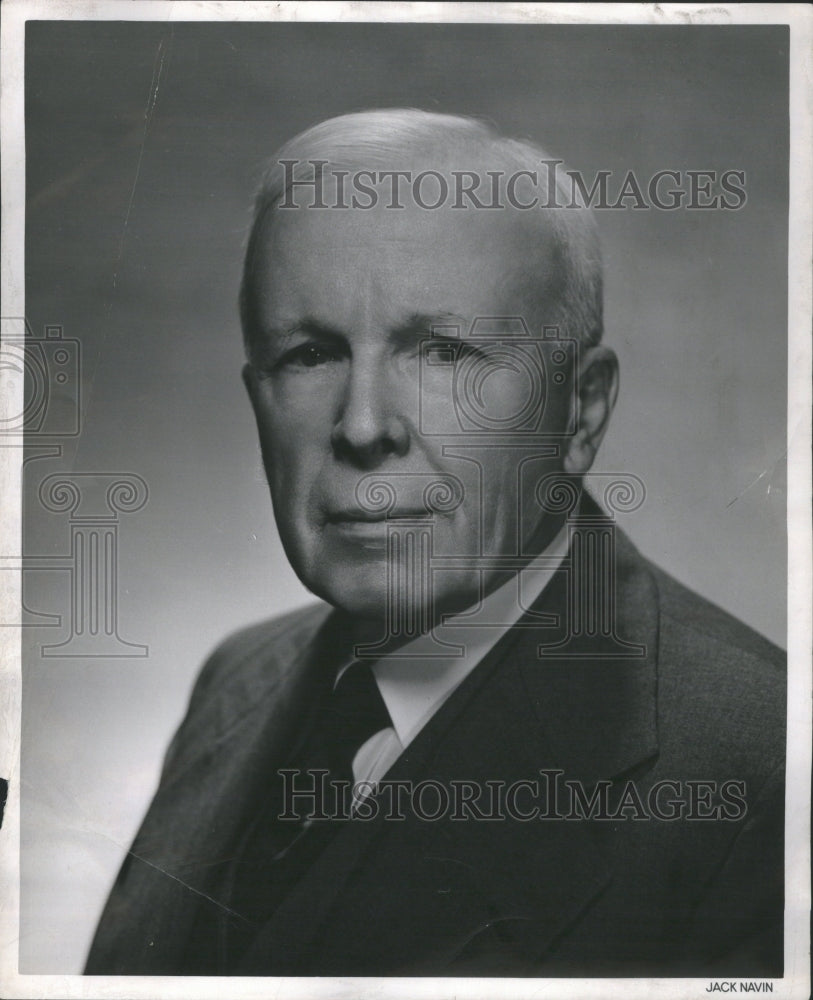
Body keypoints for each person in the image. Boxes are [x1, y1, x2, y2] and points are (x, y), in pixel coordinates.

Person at [85, 110, 785, 978]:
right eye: (308, 354)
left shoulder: (769, 782)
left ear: (581, 409)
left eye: (444, 352)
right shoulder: (236, 678)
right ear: (256, 393)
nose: (364, 425)